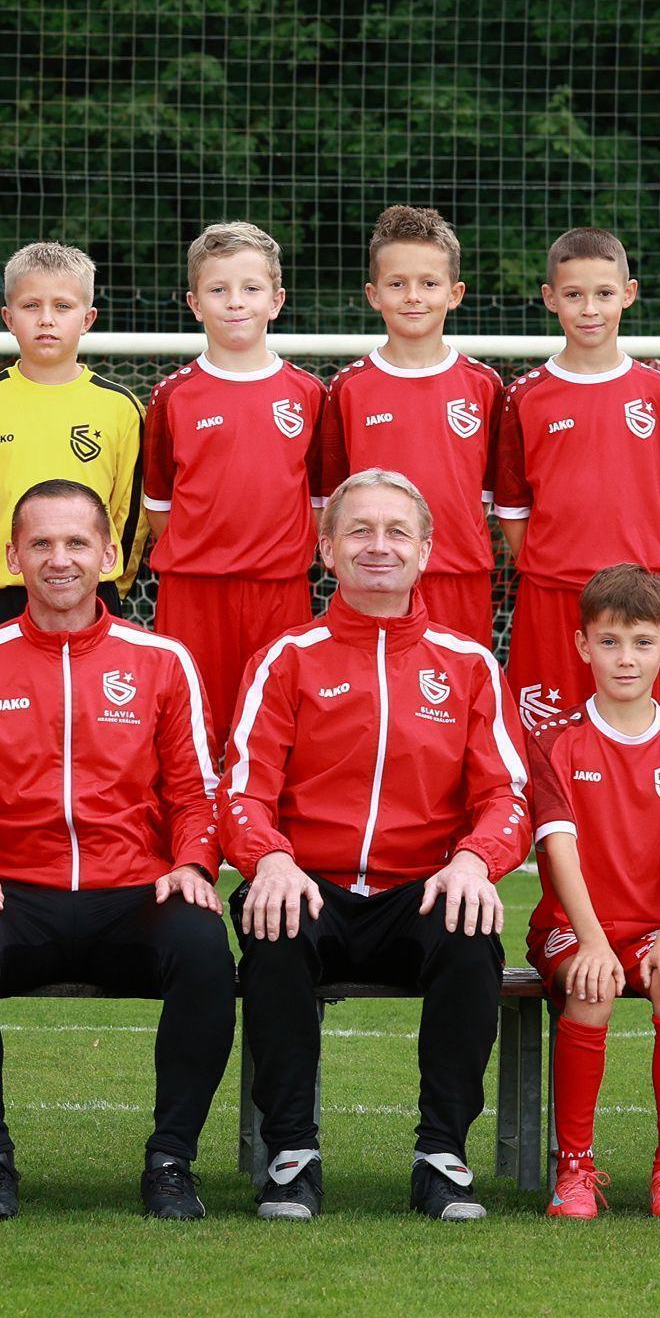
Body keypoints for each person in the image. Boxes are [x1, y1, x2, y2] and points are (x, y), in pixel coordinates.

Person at [222, 470, 528, 1222]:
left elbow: (507, 799)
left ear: (426, 551)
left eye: (397, 532)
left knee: (471, 922)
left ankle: (442, 1157)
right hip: (311, 884)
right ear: (328, 550)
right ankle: (291, 1155)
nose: (378, 545)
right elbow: (241, 794)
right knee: (274, 917)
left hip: (418, 891)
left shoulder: (468, 664)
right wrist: (271, 858)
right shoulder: (285, 658)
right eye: (359, 530)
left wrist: (471, 861)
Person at [0, 479, 228, 1220]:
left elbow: (197, 795)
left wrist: (191, 865)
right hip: (12, 896)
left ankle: (171, 1162)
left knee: (203, 941)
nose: (60, 559)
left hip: (134, 896)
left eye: (77, 542)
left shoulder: (161, 661)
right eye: (42, 544)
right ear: (13, 557)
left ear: (111, 555)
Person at [527, 563, 660, 1219]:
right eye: (609, 642)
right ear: (583, 646)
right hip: (575, 926)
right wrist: (590, 942)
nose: (626, 658)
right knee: (592, 983)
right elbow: (559, 848)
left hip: (653, 928)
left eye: (642, 643)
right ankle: (574, 1170)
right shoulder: (555, 742)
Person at [141, 220, 329, 741]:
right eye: (218, 290)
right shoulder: (172, 396)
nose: (235, 302)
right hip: (193, 593)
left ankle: (264, 823)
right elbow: (158, 503)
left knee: (273, 725)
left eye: (251, 288)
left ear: (276, 299)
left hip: (280, 590)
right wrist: (206, 553)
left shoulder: (309, 393)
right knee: (190, 727)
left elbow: (317, 497)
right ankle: (195, 823)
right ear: (194, 302)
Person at [491, 226, 660, 733]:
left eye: (603, 294)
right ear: (551, 299)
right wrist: (557, 562)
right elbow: (512, 512)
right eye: (574, 295)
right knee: (544, 737)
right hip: (552, 597)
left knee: (635, 736)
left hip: (638, 600)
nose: (590, 309)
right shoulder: (524, 396)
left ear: (628, 294)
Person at [314, 206, 505, 643]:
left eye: (429, 284)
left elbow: (494, 498)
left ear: (455, 293)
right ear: (373, 293)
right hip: (373, 575)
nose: (413, 296)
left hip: (460, 576)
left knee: (456, 698)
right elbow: (330, 499)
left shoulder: (484, 386)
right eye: (397, 284)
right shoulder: (348, 388)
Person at [0, 242, 144, 636]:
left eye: (62, 307)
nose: (46, 320)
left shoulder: (120, 407)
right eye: (31, 306)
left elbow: (130, 514)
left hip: (91, 594)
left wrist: (110, 581)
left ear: (88, 318)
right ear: (8, 317)